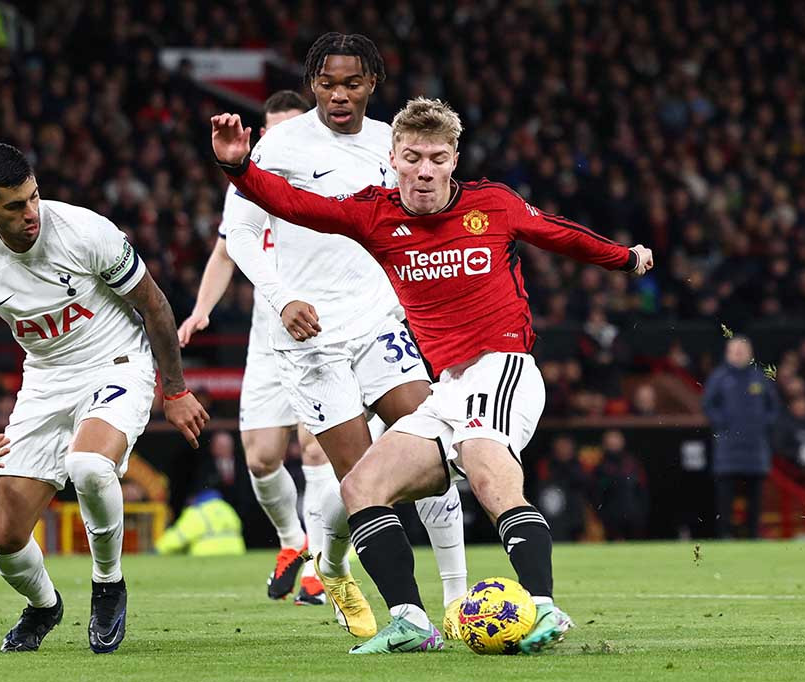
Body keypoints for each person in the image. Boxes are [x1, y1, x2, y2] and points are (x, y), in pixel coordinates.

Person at [211, 97, 654, 653]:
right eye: (413, 156)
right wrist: (238, 168)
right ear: (392, 157)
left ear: (454, 159)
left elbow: (561, 234)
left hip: (503, 367)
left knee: (489, 471)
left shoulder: (492, 204)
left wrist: (626, 258)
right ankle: (411, 621)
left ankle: (544, 608)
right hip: (446, 389)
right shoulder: (374, 213)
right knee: (362, 487)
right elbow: (298, 206)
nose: (424, 170)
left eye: (437, 158)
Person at [216, 33, 467, 641]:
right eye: (327, 83)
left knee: (435, 451)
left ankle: (457, 601)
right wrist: (283, 298)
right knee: (362, 479)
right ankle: (400, 609)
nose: (339, 95)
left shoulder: (393, 144)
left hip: (380, 323)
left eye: (352, 83)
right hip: (310, 337)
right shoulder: (280, 144)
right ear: (311, 84)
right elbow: (242, 236)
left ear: (372, 84)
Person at [0, 143, 208, 654]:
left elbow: (154, 304)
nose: (31, 213)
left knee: (88, 465)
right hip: (44, 381)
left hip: (116, 362)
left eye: (34, 197)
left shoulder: (85, 231)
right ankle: (45, 606)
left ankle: (108, 584)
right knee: (5, 539)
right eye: (15, 206)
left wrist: (174, 390)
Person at [178, 90, 330, 606]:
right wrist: (202, 310)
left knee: (318, 449)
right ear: (263, 134)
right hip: (268, 342)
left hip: (326, 334)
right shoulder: (247, 182)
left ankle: (327, 567)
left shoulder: (332, 176)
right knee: (262, 459)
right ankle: (294, 544)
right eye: (275, 130)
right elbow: (225, 251)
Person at [702, 336, 780, 539]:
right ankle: (725, 534)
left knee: (755, 496)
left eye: (743, 351)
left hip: (755, 448)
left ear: (750, 353)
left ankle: (753, 534)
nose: (739, 354)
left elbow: (774, 407)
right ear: (728, 353)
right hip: (728, 448)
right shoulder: (719, 377)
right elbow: (708, 406)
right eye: (735, 351)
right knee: (725, 496)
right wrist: (724, 424)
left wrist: (762, 424)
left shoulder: (760, 377)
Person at [154, 489, 246, 557]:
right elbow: (239, 526)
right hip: (236, 553)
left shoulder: (198, 511)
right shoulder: (227, 508)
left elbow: (178, 536)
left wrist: (157, 550)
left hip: (207, 555)